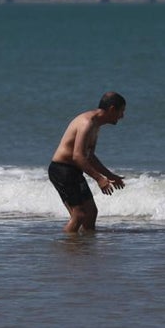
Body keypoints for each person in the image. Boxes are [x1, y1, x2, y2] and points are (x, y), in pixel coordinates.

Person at [48, 91, 127, 233]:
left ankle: (85, 250)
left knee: (91, 213)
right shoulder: (87, 123)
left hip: (73, 171)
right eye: (121, 111)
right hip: (62, 170)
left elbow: (89, 156)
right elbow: (77, 156)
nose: (122, 116)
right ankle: (68, 248)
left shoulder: (96, 124)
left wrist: (110, 176)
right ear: (112, 109)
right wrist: (99, 179)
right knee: (78, 215)